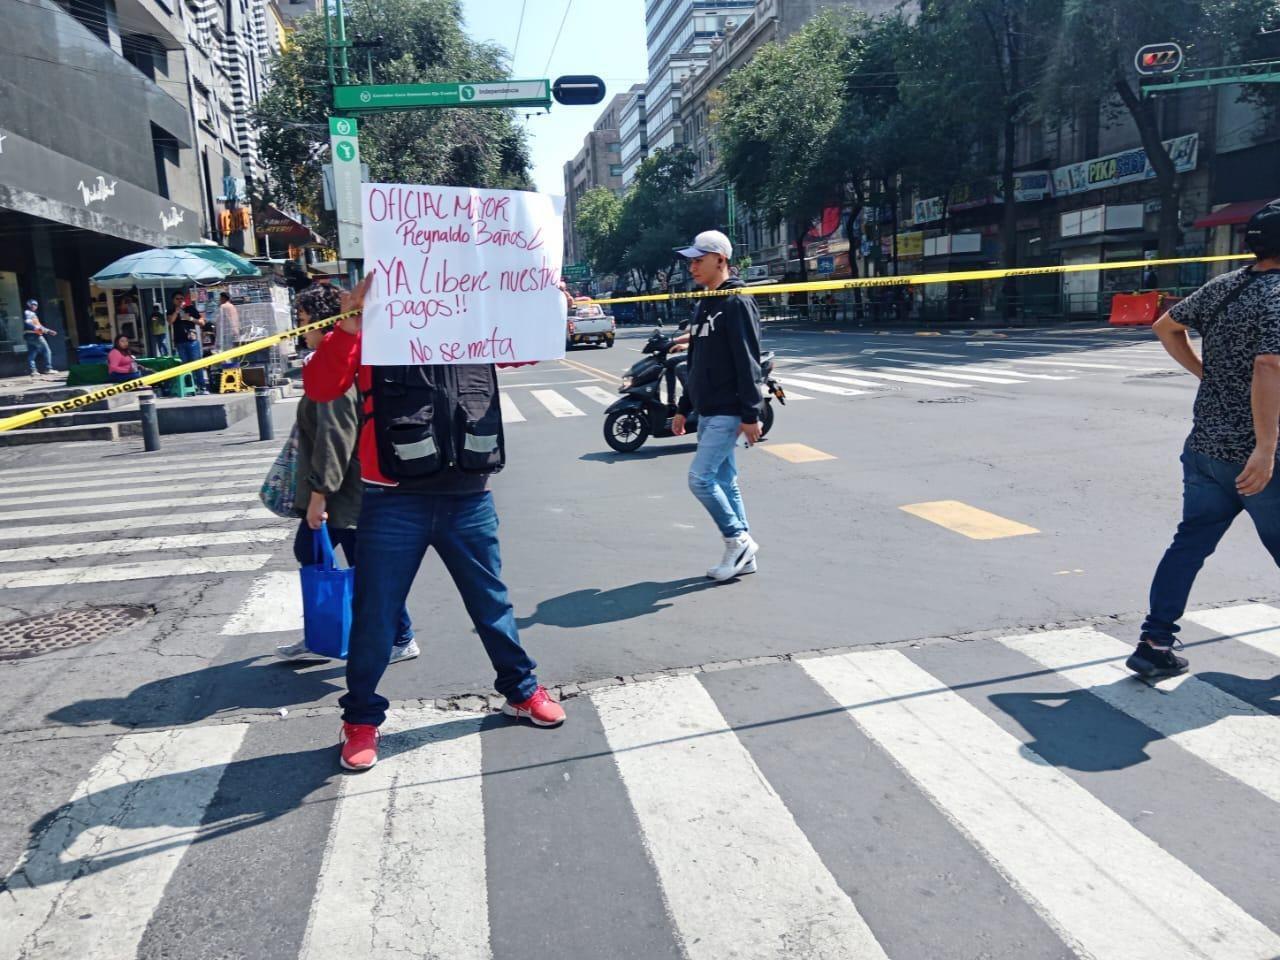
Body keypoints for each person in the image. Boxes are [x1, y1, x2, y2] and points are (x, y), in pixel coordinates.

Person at [303, 275, 565, 772]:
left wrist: (545, 304)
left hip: (469, 498)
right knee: (376, 616)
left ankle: (522, 690)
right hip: (393, 501)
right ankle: (360, 719)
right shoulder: (374, 331)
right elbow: (321, 385)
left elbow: (531, 347)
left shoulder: (475, 324)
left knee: (492, 604)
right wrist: (353, 321)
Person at [1128, 198, 1280, 679]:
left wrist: (1207, 375)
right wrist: (1265, 446)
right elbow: (1269, 365)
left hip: (1206, 449)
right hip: (1257, 460)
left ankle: (1154, 642)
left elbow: (1165, 326)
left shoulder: (1226, 286)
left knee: (1189, 544)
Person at [275, 284, 418, 666]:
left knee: (346, 563)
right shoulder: (332, 359)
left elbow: (335, 438)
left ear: (325, 323)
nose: (301, 330)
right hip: (348, 488)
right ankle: (329, 633)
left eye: (304, 322)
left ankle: (395, 635)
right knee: (348, 563)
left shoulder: (336, 367)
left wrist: (319, 496)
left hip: (345, 492)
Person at [671, 229, 764, 582]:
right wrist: (682, 406)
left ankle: (737, 541)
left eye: (698, 260)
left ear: (720, 260)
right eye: (690, 261)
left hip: (728, 407)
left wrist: (751, 413)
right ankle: (746, 553)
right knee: (726, 481)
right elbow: (695, 359)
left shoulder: (736, 301)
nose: (691, 267)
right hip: (707, 409)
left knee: (700, 479)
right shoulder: (704, 303)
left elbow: (747, 359)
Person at [170, 295, 208, 393]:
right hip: (180, 342)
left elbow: (202, 322)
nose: (179, 301)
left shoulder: (190, 308)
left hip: (192, 341)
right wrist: (176, 311)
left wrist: (190, 319)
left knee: (197, 364)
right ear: (173, 301)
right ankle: (190, 386)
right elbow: (170, 321)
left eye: (181, 299)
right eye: (177, 299)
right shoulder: (171, 310)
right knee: (185, 366)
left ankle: (202, 386)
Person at [23, 299, 54, 377]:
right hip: (35, 335)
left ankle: (33, 371)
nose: (35, 306)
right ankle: (48, 368)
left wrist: (48, 331)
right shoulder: (29, 313)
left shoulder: (33, 314)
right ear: (29, 305)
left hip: (29, 336)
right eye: (33, 304)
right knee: (46, 350)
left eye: (36, 305)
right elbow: (29, 323)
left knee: (32, 352)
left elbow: (39, 326)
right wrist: (36, 329)